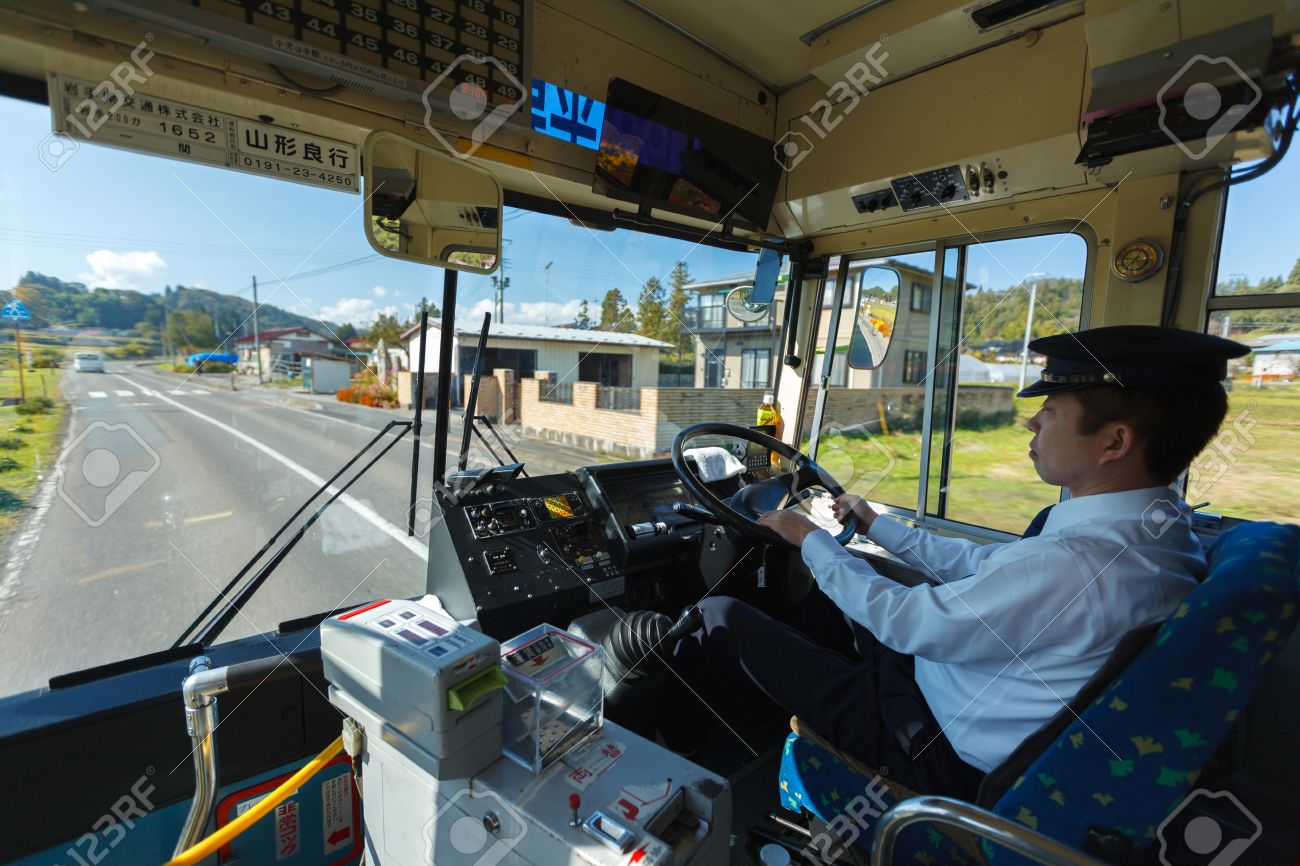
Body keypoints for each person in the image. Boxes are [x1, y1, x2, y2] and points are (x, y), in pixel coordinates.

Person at [660, 325, 1250, 798]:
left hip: (933, 747)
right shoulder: (1156, 530)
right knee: (822, 605)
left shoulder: (1080, 563)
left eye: (1051, 410)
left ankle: (672, 747)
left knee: (720, 616)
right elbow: (988, 566)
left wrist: (807, 537)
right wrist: (877, 526)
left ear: (1114, 443)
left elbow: (906, 622)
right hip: (966, 692)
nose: (1032, 421)